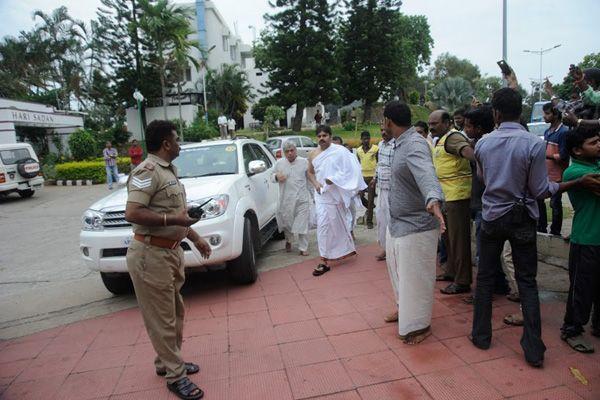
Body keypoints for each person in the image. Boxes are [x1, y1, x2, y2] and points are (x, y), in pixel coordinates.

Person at [471, 88, 600, 368]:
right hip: (522, 219)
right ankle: (533, 349)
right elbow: (541, 190)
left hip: (492, 218)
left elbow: (483, 178)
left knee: (484, 278)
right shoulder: (533, 143)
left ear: (495, 113)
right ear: (520, 112)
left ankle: (481, 336)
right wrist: (573, 183)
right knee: (528, 282)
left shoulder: (482, 144)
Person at [124, 120, 211, 400]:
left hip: (170, 252)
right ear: (165, 144)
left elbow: (178, 213)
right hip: (150, 255)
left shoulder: (169, 171)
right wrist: (174, 219)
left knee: (175, 313)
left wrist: (194, 237)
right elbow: (133, 212)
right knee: (162, 318)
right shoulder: (147, 171)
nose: (179, 144)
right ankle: (175, 376)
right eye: (176, 139)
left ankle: (166, 362)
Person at [382, 101, 445, 342]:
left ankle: (418, 326)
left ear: (388, 121)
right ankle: (403, 309)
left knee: (416, 278)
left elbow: (427, 174)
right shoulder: (398, 143)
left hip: (416, 226)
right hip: (397, 223)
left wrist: (433, 200)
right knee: (398, 273)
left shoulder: (415, 144)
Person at [462, 106, 518, 304]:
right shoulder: (479, 143)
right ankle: (501, 285)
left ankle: (483, 293)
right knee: (490, 252)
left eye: (468, 126)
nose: (465, 129)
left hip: (488, 204)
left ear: (478, 128)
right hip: (482, 202)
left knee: (484, 253)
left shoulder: (484, 146)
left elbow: (486, 177)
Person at [560, 128, 600, 353]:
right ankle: (571, 329)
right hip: (586, 238)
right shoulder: (575, 173)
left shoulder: (594, 165)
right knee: (581, 289)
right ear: (577, 150)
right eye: (593, 142)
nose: (599, 145)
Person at [307, 125, 366, 276]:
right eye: (319, 136)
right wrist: (316, 184)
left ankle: (344, 249)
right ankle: (323, 260)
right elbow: (310, 172)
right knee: (323, 225)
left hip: (336, 194)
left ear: (331, 136)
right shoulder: (313, 154)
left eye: (325, 135)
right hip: (321, 195)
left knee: (337, 224)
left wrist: (334, 180)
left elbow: (351, 169)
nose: (322, 138)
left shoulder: (340, 151)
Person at [429, 110, 473, 295]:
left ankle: (462, 281)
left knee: (458, 241)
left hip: (457, 197)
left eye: (435, 124)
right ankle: (452, 272)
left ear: (447, 122)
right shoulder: (441, 139)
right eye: (429, 124)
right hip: (447, 197)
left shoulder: (453, 138)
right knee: (448, 239)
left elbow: (470, 153)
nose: (431, 127)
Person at [537, 103, 569, 235]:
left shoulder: (563, 132)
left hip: (558, 175)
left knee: (555, 204)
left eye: (547, 113)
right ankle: (542, 227)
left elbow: (563, 156)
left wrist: (547, 155)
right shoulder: (547, 131)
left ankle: (555, 232)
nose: (544, 116)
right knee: (540, 200)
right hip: (546, 174)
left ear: (555, 115)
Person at [274, 141, 311, 256]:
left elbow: (310, 178)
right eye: (287, 151)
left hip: (302, 198)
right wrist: (276, 176)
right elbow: (270, 176)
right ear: (284, 153)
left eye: (292, 150)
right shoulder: (279, 163)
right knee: (287, 223)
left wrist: (314, 195)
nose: (290, 153)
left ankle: (303, 248)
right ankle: (289, 240)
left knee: (302, 223)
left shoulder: (304, 162)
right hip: (286, 199)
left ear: (296, 150)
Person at [371, 128, 395, 262]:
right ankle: (385, 249)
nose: (383, 133)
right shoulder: (380, 145)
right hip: (381, 188)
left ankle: (393, 250)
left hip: (393, 190)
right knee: (381, 218)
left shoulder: (396, 145)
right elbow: (379, 164)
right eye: (381, 130)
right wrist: (375, 178)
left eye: (386, 130)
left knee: (392, 219)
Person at [356, 131, 378, 229]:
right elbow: (357, 164)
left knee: (370, 198)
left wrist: (376, 177)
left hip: (372, 177)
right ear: (361, 139)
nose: (366, 140)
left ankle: (369, 221)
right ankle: (371, 207)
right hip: (362, 177)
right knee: (359, 196)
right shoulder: (358, 151)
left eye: (368, 138)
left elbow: (379, 163)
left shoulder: (375, 149)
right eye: (364, 139)